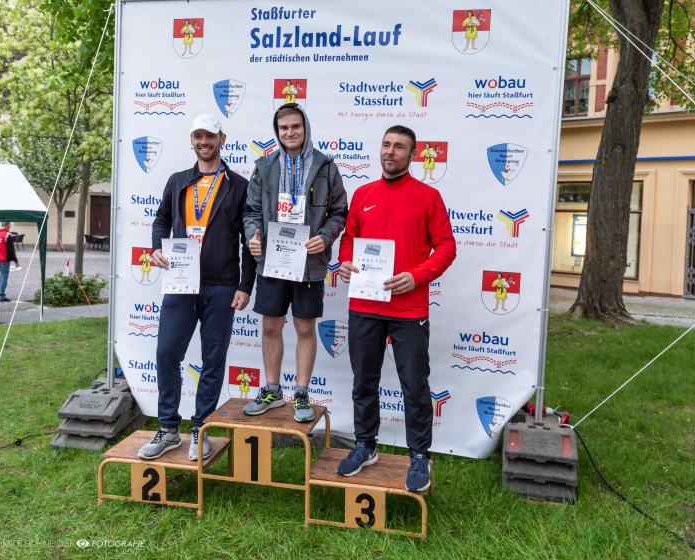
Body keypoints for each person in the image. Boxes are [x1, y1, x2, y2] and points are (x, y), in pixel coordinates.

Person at [335, 125, 456, 492]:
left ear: (413, 155)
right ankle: (365, 445)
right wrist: (344, 261)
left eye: (399, 147)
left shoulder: (428, 197)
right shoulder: (363, 194)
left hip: (408, 309)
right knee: (363, 381)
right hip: (364, 304)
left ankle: (419, 454)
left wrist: (416, 277)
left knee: (414, 385)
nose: (390, 151)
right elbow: (349, 239)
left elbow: (446, 247)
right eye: (386, 144)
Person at [137, 113, 256, 462]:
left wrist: (245, 285)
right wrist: (156, 247)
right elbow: (160, 219)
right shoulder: (178, 181)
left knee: (213, 360)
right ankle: (168, 429)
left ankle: (200, 428)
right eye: (198, 136)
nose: (204, 142)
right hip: (180, 281)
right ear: (192, 140)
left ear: (222, 139)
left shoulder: (239, 185)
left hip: (222, 286)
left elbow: (248, 240)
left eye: (210, 136)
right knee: (166, 353)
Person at [243, 103, 348, 422]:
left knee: (304, 326)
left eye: (295, 126)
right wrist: (253, 235)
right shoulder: (264, 166)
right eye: (284, 128)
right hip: (273, 259)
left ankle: (301, 393)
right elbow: (251, 211)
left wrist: (326, 237)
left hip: (308, 262)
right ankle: (272, 390)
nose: (290, 133)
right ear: (277, 132)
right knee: (270, 324)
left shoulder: (326, 166)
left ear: (306, 128)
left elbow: (339, 212)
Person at [0, 222, 18, 302]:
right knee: (4, 275)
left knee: (2, 274)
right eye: (9, 225)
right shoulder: (7, 235)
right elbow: (11, 249)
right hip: (3, 258)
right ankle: (0, 295)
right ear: (8, 225)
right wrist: (15, 260)